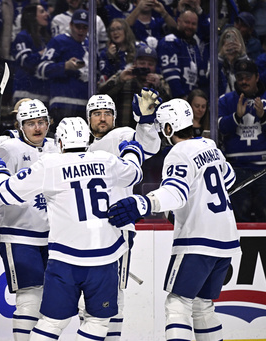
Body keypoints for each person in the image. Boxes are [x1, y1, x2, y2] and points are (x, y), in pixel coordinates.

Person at [0, 116, 145, 340]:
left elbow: (6, 192)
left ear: (59, 143)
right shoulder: (106, 160)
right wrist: (132, 151)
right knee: (97, 321)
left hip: (64, 259)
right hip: (104, 257)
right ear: (87, 139)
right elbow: (135, 172)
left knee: (51, 322)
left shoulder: (50, 165)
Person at [107, 98, 241, 341]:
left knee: (177, 304)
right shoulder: (211, 146)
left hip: (197, 239)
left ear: (169, 128)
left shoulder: (178, 153)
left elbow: (175, 194)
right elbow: (228, 179)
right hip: (226, 239)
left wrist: (142, 203)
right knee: (203, 305)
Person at [85, 90, 161, 340]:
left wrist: (146, 121)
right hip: (85, 232)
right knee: (89, 293)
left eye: (107, 113)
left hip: (117, 229)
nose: (102, 118)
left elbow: (147, 146)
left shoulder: (119, 136)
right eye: (97, 113)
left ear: (115, 118)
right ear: (88, 118)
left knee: (114, 290)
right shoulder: (80, 144)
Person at [0, 98, 56, 340]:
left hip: (53, 236)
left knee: (50, 301)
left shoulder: (57, 147)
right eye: (30, 123)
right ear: (20, 125)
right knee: (29, 299)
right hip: (19, 234)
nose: (37, 128)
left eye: (41, 122)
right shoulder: (9, 149)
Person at [218, 59, 266, 222]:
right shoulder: (226, 101)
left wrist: (263, 118)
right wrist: (236, 117)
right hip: (236, 169)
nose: (243, 81)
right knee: (238, 220)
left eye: (247, 77)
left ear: (257, 77)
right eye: (240, 77)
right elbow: (219, 128)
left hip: (263, 169)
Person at [36, 9, 90, 132]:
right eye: (78, 26)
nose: (81, 30)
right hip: (62, 103)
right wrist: (65, 66)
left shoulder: (90, 45)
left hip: (85, 105)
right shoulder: (59, 41)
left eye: (84, 27)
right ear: (70, 25)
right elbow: (42, 69)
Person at [98, 44, 171, 128]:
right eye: (142, 63)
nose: (146, 67)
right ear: (135, 63)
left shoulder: (160, 81)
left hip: (150, 134)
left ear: (155, 66)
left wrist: (158, 87)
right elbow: (101, 94)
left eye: (150, 64)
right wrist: (120, 80)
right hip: (124, 132)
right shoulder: (124, 76)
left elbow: (168, 106)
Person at [157, 8, 206, 99]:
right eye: (187, 22)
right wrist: (182, 98)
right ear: (178, 21)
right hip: (173, 100)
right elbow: (171, 76)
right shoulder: (170, 41)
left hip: (191, 100)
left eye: (193, 24)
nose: (190, 26)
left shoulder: (194, 45)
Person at [12, 4, 51, 104]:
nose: (47, 14)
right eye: (42, 12)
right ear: (32, 16)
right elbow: (26, 61)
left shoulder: (46, 39)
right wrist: (42, 53)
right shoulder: (23, 36)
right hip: (25, 92)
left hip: (44, 93)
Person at [98, 19, 136, 84]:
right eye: (112, 30)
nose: (115, 33)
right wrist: (110, 58)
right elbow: (105, 77)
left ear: (126, 31)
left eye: (119, 29)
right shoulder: (105, 53)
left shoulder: (137, 48)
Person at [217, 27, 249, 95]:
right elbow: (209, 79)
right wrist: (220, 56)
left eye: (234, 39)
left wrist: (242, 54)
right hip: (221, 101)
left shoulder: (246, 60)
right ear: (223, 42)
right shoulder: (216, 61)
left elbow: (250, 78)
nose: (231, 42)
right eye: (228, 38)